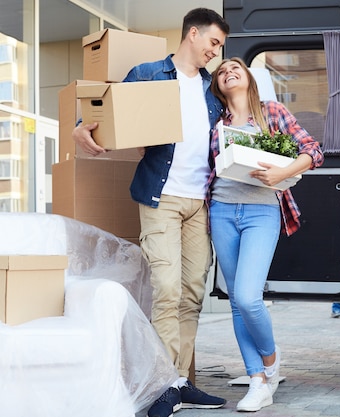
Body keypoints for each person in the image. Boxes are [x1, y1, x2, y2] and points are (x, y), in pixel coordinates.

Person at [71, 8, 230, 417]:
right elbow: (103, 110)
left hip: (201, 202)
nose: (216, 51)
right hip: (161, 197)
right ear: (192, 34)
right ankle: (162, 387)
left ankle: (179, 382)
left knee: (193, 293)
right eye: (212, 42)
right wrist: (80, 127)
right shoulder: (149, 74)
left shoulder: (212, 89)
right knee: (167, 289)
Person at [207, 57, 324, 412]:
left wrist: (282, 173)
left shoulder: (272, 112)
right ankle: (257, 380)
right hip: (221, 211)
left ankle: (270, 361)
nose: (228, 72)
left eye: (235, 68)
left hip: (261, 211)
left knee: (247, 296)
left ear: (248, 78)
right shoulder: (215, 123)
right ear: (217, 85)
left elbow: (313, 151)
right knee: (236, 304)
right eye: (222, 71)